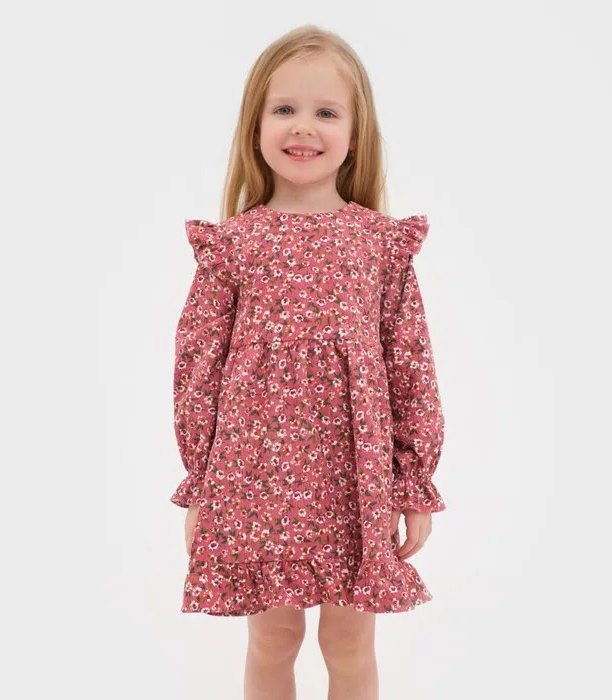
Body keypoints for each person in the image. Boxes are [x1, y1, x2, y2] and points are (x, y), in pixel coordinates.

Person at [170, 24, 446, 700]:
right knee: (273, 639)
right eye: (284, 109)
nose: (303, 127)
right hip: (255, 479)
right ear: (255, 124)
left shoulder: (378, 245)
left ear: (355, 133)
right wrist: (202, 487)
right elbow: (198, 372)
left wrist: (412, 483)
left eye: (326, 112)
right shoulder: (233, 246)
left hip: (354, 479)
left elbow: (410, 367)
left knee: (349, 643)